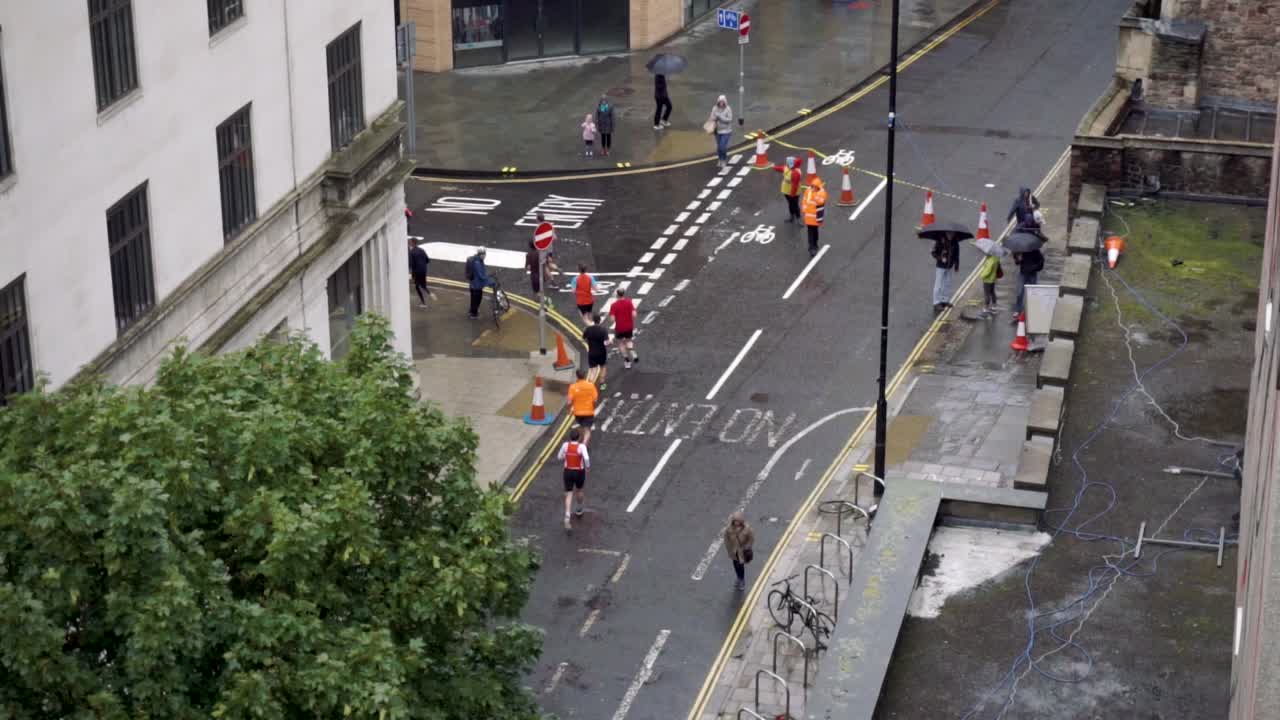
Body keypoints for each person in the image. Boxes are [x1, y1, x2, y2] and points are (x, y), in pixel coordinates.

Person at [557, 428, 591, 530]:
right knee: (579, 490)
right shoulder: (581, 447)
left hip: (568, 471)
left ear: (570, 437)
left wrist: (565, 456)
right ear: (579, 437)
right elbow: (586, 458)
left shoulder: (565, 445)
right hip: (579, 472)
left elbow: (559, 457)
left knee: (569, 493)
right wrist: (588, 467)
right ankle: (579, 508)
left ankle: (567, 516)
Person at [723, 511, 755, 591]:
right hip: (734, 551)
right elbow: (726, 538)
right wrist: (729, 548)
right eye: (735, 521)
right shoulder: (729, 529)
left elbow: (751, 539)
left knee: (740, 566)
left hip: (742, 551)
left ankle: (742, 580)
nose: (736, 523)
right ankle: (738, 577)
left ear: (741, 521)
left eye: (738, 521)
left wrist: (747, 547)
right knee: (735, 565)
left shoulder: (747, 529)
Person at [1011, 247, 1045, 321]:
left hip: (1032, 274)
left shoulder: (1035, 250)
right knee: (1019, 292)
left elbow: (1041, 260)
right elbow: (1017, 262)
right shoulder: (1020, 250)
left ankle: (1031, 310)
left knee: (1033, 293)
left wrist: (1034, 267)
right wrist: (1018, 259)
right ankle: (1017, 310)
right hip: (1023, 274)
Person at [567, 368, 599, 446]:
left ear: (577, 376)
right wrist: (592, 406)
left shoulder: (572, 387)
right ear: (585, 376)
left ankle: (582, 442)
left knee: (582, 426)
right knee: (587, 430)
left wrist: (570, 410)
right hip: (588, 412)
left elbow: (569, 402)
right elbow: (595, 400)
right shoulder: (591, 386)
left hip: (578, 413)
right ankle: (584, 445)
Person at [609, 287, 638, 369]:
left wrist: (616, 317)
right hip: (629, 326)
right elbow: (634, 314)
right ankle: (631, 350)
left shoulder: (614, 305)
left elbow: (612, 319)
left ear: (617, 295)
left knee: (621, 344)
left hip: (619, 328)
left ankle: (627, 361)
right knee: (629, 340)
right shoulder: (629, 302)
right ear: (623, 294)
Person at [931, 232, 961, 312]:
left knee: (947, 283)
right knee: (938, 285)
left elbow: (957, 255)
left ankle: (944, 300)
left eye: (952, 234)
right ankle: (936, 303)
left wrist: (956, 266)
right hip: (940, 266)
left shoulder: (955, 242)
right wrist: (940, 258)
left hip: (950, 266)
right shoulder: (940, 241)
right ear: (946, 233)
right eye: (949, 234)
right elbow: (933, 253)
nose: (951, 235)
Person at [802, 176, 828, 257]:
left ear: (818, 187)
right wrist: (804, 209)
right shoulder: (808, 191)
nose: (813, 188)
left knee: (815, 231)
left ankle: (815, 244)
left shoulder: (822, 193)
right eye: (812, 186)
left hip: (816, 217)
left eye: (815, 186)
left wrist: (814, 195)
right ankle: (811, 247)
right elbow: (804, 200)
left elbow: (821, 202)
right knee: (810, 232)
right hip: (809, 216)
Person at [582, 313, 610, 389]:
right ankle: (602, 384)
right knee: (603, 367)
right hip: (601, 352)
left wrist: (589, 342)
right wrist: (609, 342)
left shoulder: (588, 329)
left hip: (591, 352)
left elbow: (583, 339)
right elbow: (606, 342)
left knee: (593, 370)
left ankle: (589, 385)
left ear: (593, 320)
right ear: (600, 321)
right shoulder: (603, 330)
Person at [464, 247, 494, 319]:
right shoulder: (478, 263)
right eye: (484, 254)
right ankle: (474, 314)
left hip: (473, 285)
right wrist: (490, 281)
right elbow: (481, 276)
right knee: (477, 299)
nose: (485, 256)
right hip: (477, 286)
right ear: (481, 254)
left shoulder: (475, 260)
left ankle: (472, 311)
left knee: (473, 299)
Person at [773, 156, 803, 223]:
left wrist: (792, 194)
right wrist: (774, 167)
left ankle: (798, 217)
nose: (786, 163)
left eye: (787, 162)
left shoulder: (796, 173)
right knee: (790, 204)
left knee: (795, 205)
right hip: (786, 191)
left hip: (793, 192)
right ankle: (792, 216)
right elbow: (781, 169)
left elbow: (794, 186)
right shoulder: (787, 167)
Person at [709, 95, 733, 167]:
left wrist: (720, 117)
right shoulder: (714, 108)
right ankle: (720, 159)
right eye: (720, 102)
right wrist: (715, 117)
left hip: (726, 131)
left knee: (722, 146)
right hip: (717, 131)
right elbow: (711, 117)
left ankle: (724, 159)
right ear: (718, 102)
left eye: (723, 102)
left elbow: (729, 119)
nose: (721, 103)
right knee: (719, 147)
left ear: (725, 102)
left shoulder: (728, 109)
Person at [408, 238, 431, 308]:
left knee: (417, 287)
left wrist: (411, 272)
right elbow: (427, 260)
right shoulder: (422, 250)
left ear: (412, 243)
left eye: (409, 242)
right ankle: (430, 294)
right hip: (423, 270)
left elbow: (411, 264)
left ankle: (423, 303)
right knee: (423, 285)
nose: (409, 243)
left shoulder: (411, 252)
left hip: (416, 272)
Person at [978, 250, 1001, 317]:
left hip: (987, 280)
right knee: (992, 292)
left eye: (986, 253)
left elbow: (987, 271)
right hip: (993, 279)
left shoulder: (990, 260)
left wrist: (982, 275)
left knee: (987, 294)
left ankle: (986, 308)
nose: (985, 253)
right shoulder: (996, 258)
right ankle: (994, 306)